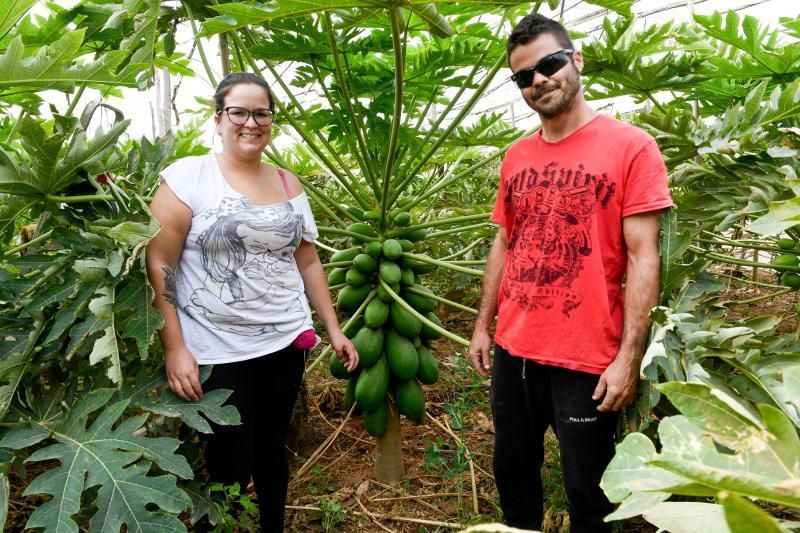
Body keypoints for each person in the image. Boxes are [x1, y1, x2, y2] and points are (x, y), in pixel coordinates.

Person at [468, 14, 673, 532]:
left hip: (586, 355)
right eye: (523, 76)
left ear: (575, 60)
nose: (538, 79)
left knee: (589, 491)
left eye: (549, 63)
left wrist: (628, 357)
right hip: (515, 347)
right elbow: (504, 241)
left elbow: (644, 256)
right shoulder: (516, 156)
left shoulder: (631, 147)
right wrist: (481, 324)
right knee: (513, 472)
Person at [146, 72, 358, 532]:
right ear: (218, 119)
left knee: (272, 451)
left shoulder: (287, 183)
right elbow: (160, 261)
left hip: (283, 339)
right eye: (238, 112)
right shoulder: (188, 177)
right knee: (228, 460)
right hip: (217, 348)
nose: (251, 122)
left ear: (271, 122)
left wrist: (334, 328)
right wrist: (174, 346)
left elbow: (308, 262)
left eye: (262, 113)